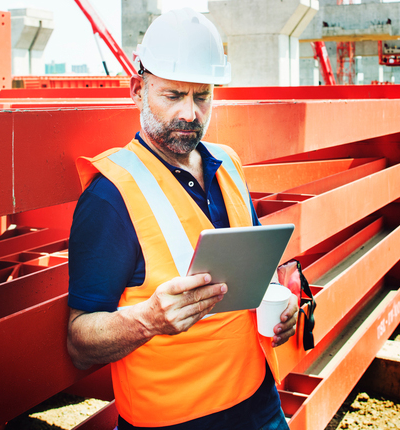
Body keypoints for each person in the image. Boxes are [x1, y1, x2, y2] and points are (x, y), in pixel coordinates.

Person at [66, 8, 298, 430]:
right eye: (173, 95)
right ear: (138, 90)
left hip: (260, 403)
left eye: (202, 95)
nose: (191, 114)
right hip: (173, 420)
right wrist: (148, 320)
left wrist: (283, 306)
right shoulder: (110, 195)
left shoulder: (228, 163)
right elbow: (80, 340)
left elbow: (257, 269)